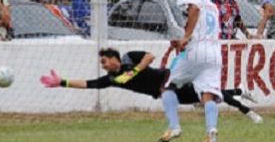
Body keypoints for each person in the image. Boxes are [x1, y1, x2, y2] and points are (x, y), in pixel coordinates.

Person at [39, 48, 263, 124]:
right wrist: (63, 82)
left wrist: (134, 71)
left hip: (171, 79)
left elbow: (150, 56)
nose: (103, 65)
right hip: (164, 93)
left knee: (210, 96)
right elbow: (89, 84)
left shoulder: (129, 58)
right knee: (209, 97)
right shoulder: (112, 79)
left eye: (104, 61)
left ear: (113, 57)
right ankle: (240, 92)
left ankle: (247, 111)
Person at [160, 0, 223, 142]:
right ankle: (211, 130)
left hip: (196, 50)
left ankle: (174, 126)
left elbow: (194, 9)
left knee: (168, 86)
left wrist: (186, 37)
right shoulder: (212, 4)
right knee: (208, 94)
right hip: (214, 52)